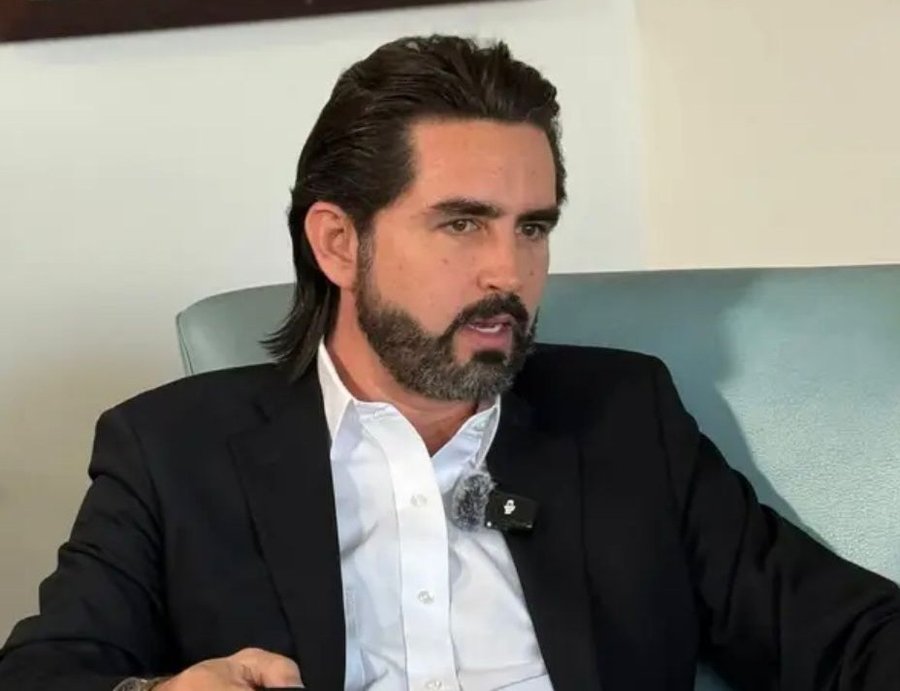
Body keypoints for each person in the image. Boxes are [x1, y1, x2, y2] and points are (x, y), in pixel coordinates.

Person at [1, 34, 898, 691]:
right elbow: (43, 672)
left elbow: (848, 635)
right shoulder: (173, 452)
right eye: (461, 223)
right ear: (338, 242)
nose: (509, 272)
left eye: (532, 227)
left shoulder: (624, 419)